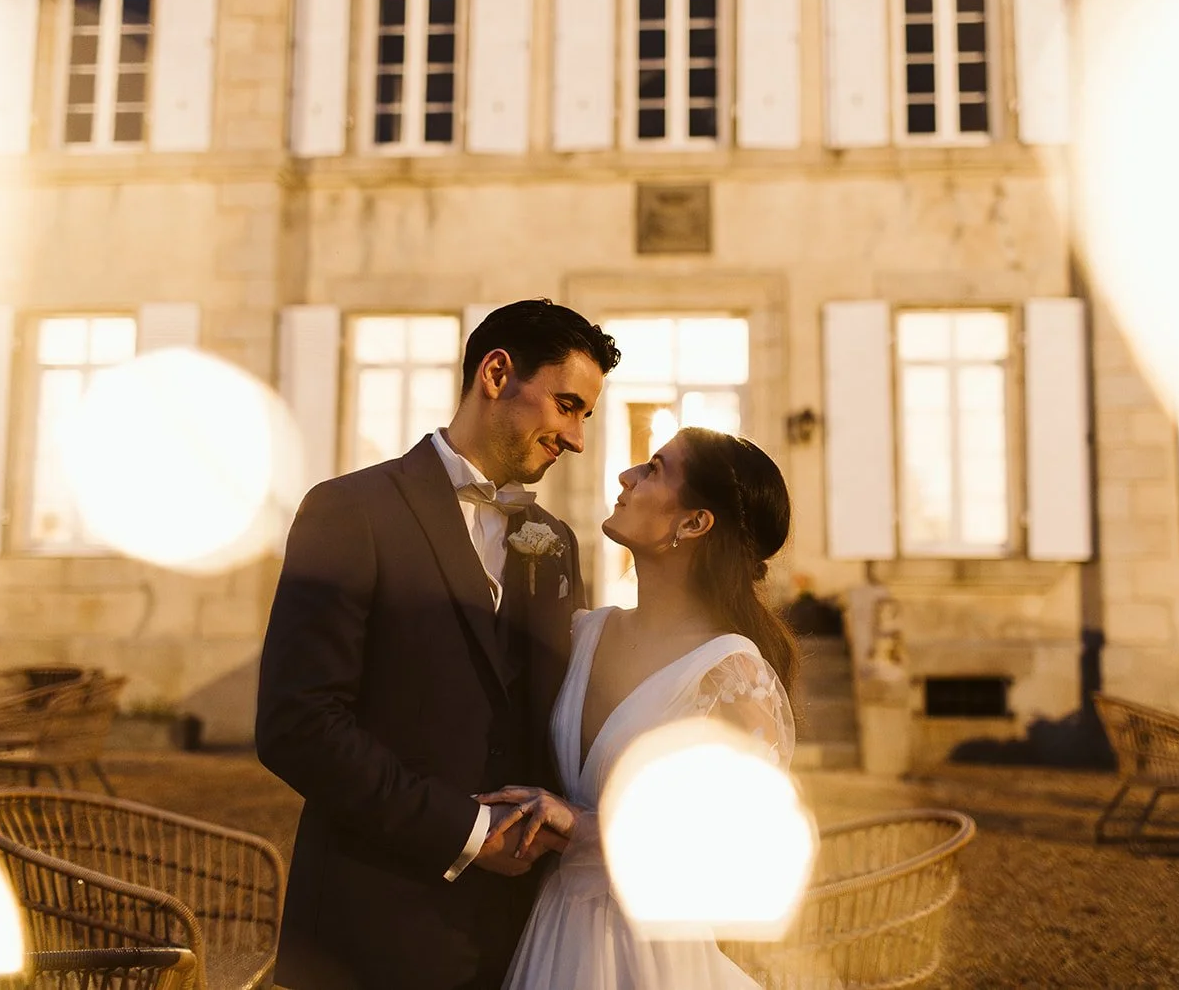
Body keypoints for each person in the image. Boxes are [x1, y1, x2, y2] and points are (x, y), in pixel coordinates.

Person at [254, 299, 621, 989]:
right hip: (369, 930)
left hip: (517, 937)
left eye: (586, 416)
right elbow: (295, 724)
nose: (575, 437)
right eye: (566, 404)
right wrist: (468, 829)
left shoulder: (556, 543)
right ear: (496, 372)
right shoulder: (349, 511)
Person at [479, 426, 799, 990]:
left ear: (694, 523)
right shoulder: (583, 632)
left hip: (650, 957)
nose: (626, 477)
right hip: (552, 932)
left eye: (653, 468)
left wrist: (582, 826)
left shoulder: (730, 674)